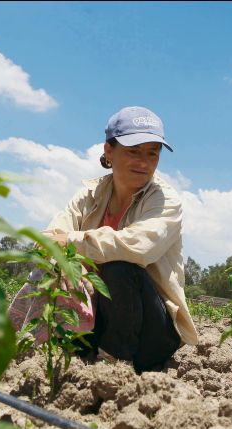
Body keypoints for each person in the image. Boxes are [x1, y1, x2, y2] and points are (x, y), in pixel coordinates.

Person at [38, 106, 199, 373]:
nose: (144, 162)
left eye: (152, 153)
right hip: (97, 316)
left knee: (119, 266)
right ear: (109, 152)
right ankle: (67, 349)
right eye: (133, 152)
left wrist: (72, 243)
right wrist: (67, 261)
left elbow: (137, 248)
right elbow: (49, 237)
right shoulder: (89, 194)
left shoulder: (165, 200)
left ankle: (112, 368)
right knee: (56, 267)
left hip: (151, 332)